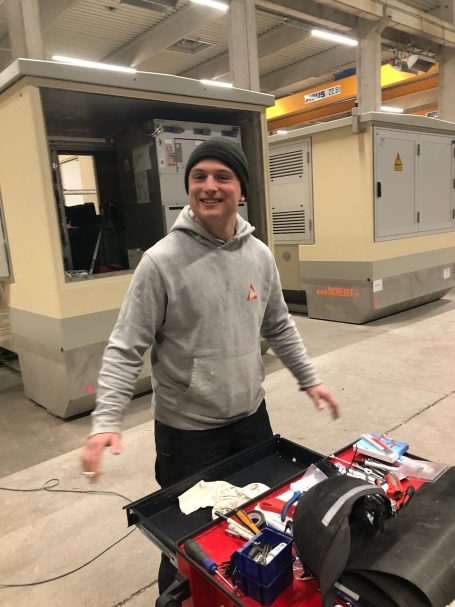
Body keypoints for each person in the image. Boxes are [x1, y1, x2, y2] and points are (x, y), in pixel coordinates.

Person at [81, 136, 339, 596]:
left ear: (242, 190)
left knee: (257, 525)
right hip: (187, 433)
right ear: (188, 187)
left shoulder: (259, 255)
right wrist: (106, 420)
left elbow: (279, 324)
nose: (209, 186)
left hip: (251, 418)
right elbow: (126, 346)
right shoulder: (161, 262)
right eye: (198, 176)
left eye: (223, 176)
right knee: (187, 544)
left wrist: (309, 379)